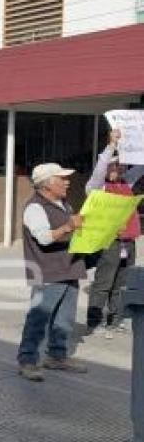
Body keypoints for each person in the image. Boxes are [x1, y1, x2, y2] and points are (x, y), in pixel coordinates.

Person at [17, 162, 88, 381]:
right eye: (61, 178)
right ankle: (27, 360)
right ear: (47, 184)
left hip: (69, 268)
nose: (67, 182)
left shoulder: (63, 203)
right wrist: (68, 227)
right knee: (39, 318)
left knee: (64, 319)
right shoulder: (35, 207)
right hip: (48, 272)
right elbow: (44, 238)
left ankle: (57, 356)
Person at [85, 130, 140, 338]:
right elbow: (99, 169)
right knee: (103, 283)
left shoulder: (127, 182)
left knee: (121, 283)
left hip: (128, 242)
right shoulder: (97, 187)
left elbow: (141, 165)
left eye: (120, 165)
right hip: (109, 242)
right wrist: (111, 145)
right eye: (113, 165)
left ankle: (115, 320)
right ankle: (94, 321)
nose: (117, 169)